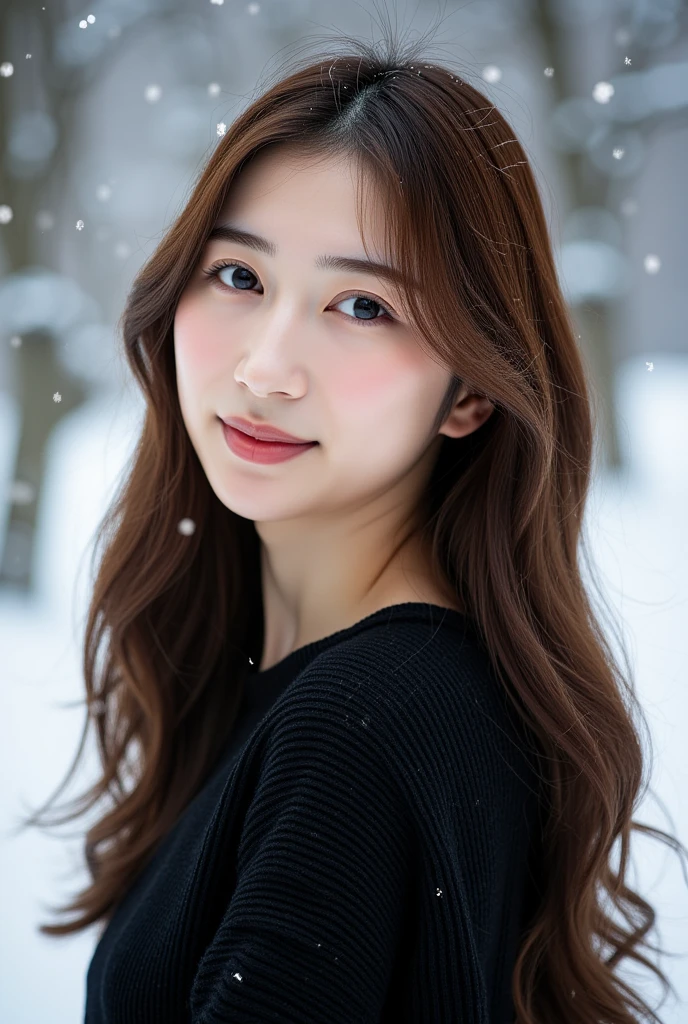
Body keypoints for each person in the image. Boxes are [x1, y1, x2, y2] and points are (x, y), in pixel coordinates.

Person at [23, 28, 684, 1024]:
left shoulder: (356, 732)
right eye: (240, 278)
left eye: (362, 305)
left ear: (470, 393)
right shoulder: (340, 687)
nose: (265, 368)